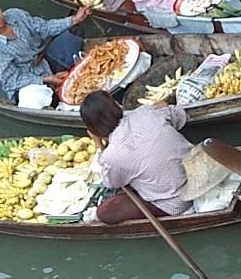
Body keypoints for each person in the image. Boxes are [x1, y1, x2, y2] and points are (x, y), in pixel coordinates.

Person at [80, 90, 193, 224]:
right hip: (198, 175)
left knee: (105, 211)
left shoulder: (111, 156)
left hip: (176, 203)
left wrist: (98, 144)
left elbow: (111, 183)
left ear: (93, 130)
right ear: (117, 105)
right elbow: (180, 116)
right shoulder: (146, 112)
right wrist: (162, 107)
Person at [0, 0, 91, 109]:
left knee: (75, 30)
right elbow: (13, 80)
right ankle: (56, 89)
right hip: (27, 80)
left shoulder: (15, 15)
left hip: (44, 59)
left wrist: (74, 19)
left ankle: (61, 78)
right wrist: (46, 79)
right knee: (39, 98)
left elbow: (44, 28)